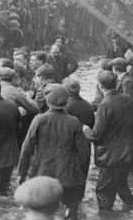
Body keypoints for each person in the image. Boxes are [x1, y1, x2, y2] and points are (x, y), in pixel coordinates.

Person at [19, 84, 88, 220]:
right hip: (69, 175)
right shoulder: (74, 122)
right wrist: (81, 176)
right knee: (71, 210)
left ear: (47, 101)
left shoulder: (39, 119)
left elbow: (26, 149)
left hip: (43, 175)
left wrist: (22, 173)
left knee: (41, 212)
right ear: (66, 101)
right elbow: (84, 153)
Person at [83, 71, 133, 213]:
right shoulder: (128, 100)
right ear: (117, 83)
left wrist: (86, 130)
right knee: (121, 185)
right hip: (128, 153)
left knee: (102, 191)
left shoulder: (104, 105)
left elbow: (96, 136)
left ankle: (106, 215)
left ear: (100, 86)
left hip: (111, 157)